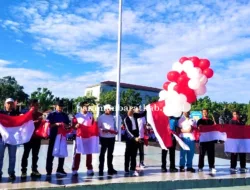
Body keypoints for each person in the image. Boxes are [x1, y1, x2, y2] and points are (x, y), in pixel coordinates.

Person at [46, 100, 70, 177]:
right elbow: (48, 125)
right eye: (59, 106)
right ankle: (49, 170)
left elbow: (67, 125)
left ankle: (60, 169)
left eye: (62, 107)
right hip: (54, 136)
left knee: (62, 152)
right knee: (51, 153)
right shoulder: (51, 114)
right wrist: (56, 124)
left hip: (62, 136)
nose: (61, 108)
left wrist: (65, 125)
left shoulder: (65, 115)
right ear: (55, 106)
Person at [21, 99, 43, 179]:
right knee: (25, 154)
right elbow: (23, 124)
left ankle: (34, 170)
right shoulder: (26, 114)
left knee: (35, 155)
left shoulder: (40, 114)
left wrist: (43, 121)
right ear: (30, 106)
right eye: (34, 105)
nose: (36, 107)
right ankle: (23, 171)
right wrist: (34, 122)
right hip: (27, 138)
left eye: (37, 105)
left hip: (37, 138)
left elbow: (44, 125)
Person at [72, 101, 94, 177]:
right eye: (85, 107)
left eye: (87, 107)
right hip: (80, 137)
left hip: (88, 137)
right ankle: (75, 169)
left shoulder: (91, 115)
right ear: (81, 107)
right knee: (77, 153)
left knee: (89, 153)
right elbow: (73, 126)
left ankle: (89, 169)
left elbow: (93, 125)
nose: (86, 108)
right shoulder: (77, 116)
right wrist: (76, 126)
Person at [0, 98, 20, 180]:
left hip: (12, 139)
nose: (10, 105)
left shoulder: (16, 113)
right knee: (0, 157)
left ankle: (11, 172)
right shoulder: (1, 113)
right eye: (8, 103)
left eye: (11, 103)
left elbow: (23, 118)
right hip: (2, 138)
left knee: (12, 157)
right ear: (5, 104)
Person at [124, 107, 147, 176]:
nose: (131, 111)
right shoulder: (126, 119)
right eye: (130, 110)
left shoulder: (135, 115)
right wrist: (134, 138)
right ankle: (126, 169)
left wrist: (147, 108)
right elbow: (128, 131)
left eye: (132, 110)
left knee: (134, 154)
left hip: (136, 135)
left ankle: (132, 169)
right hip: (130, 138)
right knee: (128, 154)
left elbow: (143, 114)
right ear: (127, 111)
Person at [97, 104, 118, 176]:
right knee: (102, 154)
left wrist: (116, 130)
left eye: (111, 109)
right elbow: (98, 127)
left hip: (112, 137)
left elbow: (114, 126)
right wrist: (103, 130)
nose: (110, 110)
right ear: (105, 109)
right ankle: (101, 169)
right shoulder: (101, 117)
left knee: (110, 154)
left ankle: (110, 168)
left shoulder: (113, 117)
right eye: (109, 109)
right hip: (104, 138)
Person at [197, 109, 216, 173]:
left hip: (210, 140)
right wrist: (199, 127)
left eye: (206, 112)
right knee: (201, 154)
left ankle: (211, 166)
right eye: (203, 112)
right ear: (202, 113)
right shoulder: (200, 121)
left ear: (207, 113)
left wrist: (215, 125)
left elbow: (214, 129)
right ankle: (200, 167)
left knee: (211, 154)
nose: (205, 113)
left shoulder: (211, 121)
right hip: (203, 140)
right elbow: (198, 129)